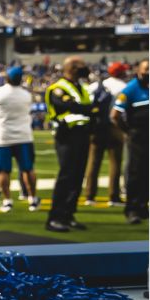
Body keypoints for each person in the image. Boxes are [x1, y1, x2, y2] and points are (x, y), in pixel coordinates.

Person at [44, 55, 97, 232]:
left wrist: (88, 109)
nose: (85, 68)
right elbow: (75, 107)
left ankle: (68, 214)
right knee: (66, 176)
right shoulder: (58, 88)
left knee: (77, 176)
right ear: (72, 68)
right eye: (82, 65)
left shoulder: (81, 87)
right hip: (66, 135)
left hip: (82, 134)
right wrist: (88, 109)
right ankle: (55, 217)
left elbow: (90, 107)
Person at [0, 66, 40, 212]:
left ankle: (7, 200)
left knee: (3, 170)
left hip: (2, 137)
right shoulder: (26, 95)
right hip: (23, 136)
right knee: (28, 169)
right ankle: (32, 199)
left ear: (7, 78)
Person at [82, 61, 129, 207]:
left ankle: (90, 196)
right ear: (121, 73)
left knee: (93, 162)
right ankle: (113, 197)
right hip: (114, 126)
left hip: (97, 127)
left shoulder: (96, 85)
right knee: (115, 163)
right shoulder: (124, 87)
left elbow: (87, 104)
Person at [113, 59, 149, 224]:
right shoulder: (131, 89)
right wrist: (128, 131)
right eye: (146, 69)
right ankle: (132, 209)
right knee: (135, 173)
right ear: (138, 70)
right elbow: (115, 115)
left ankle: (143, 207)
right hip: (138, 137)